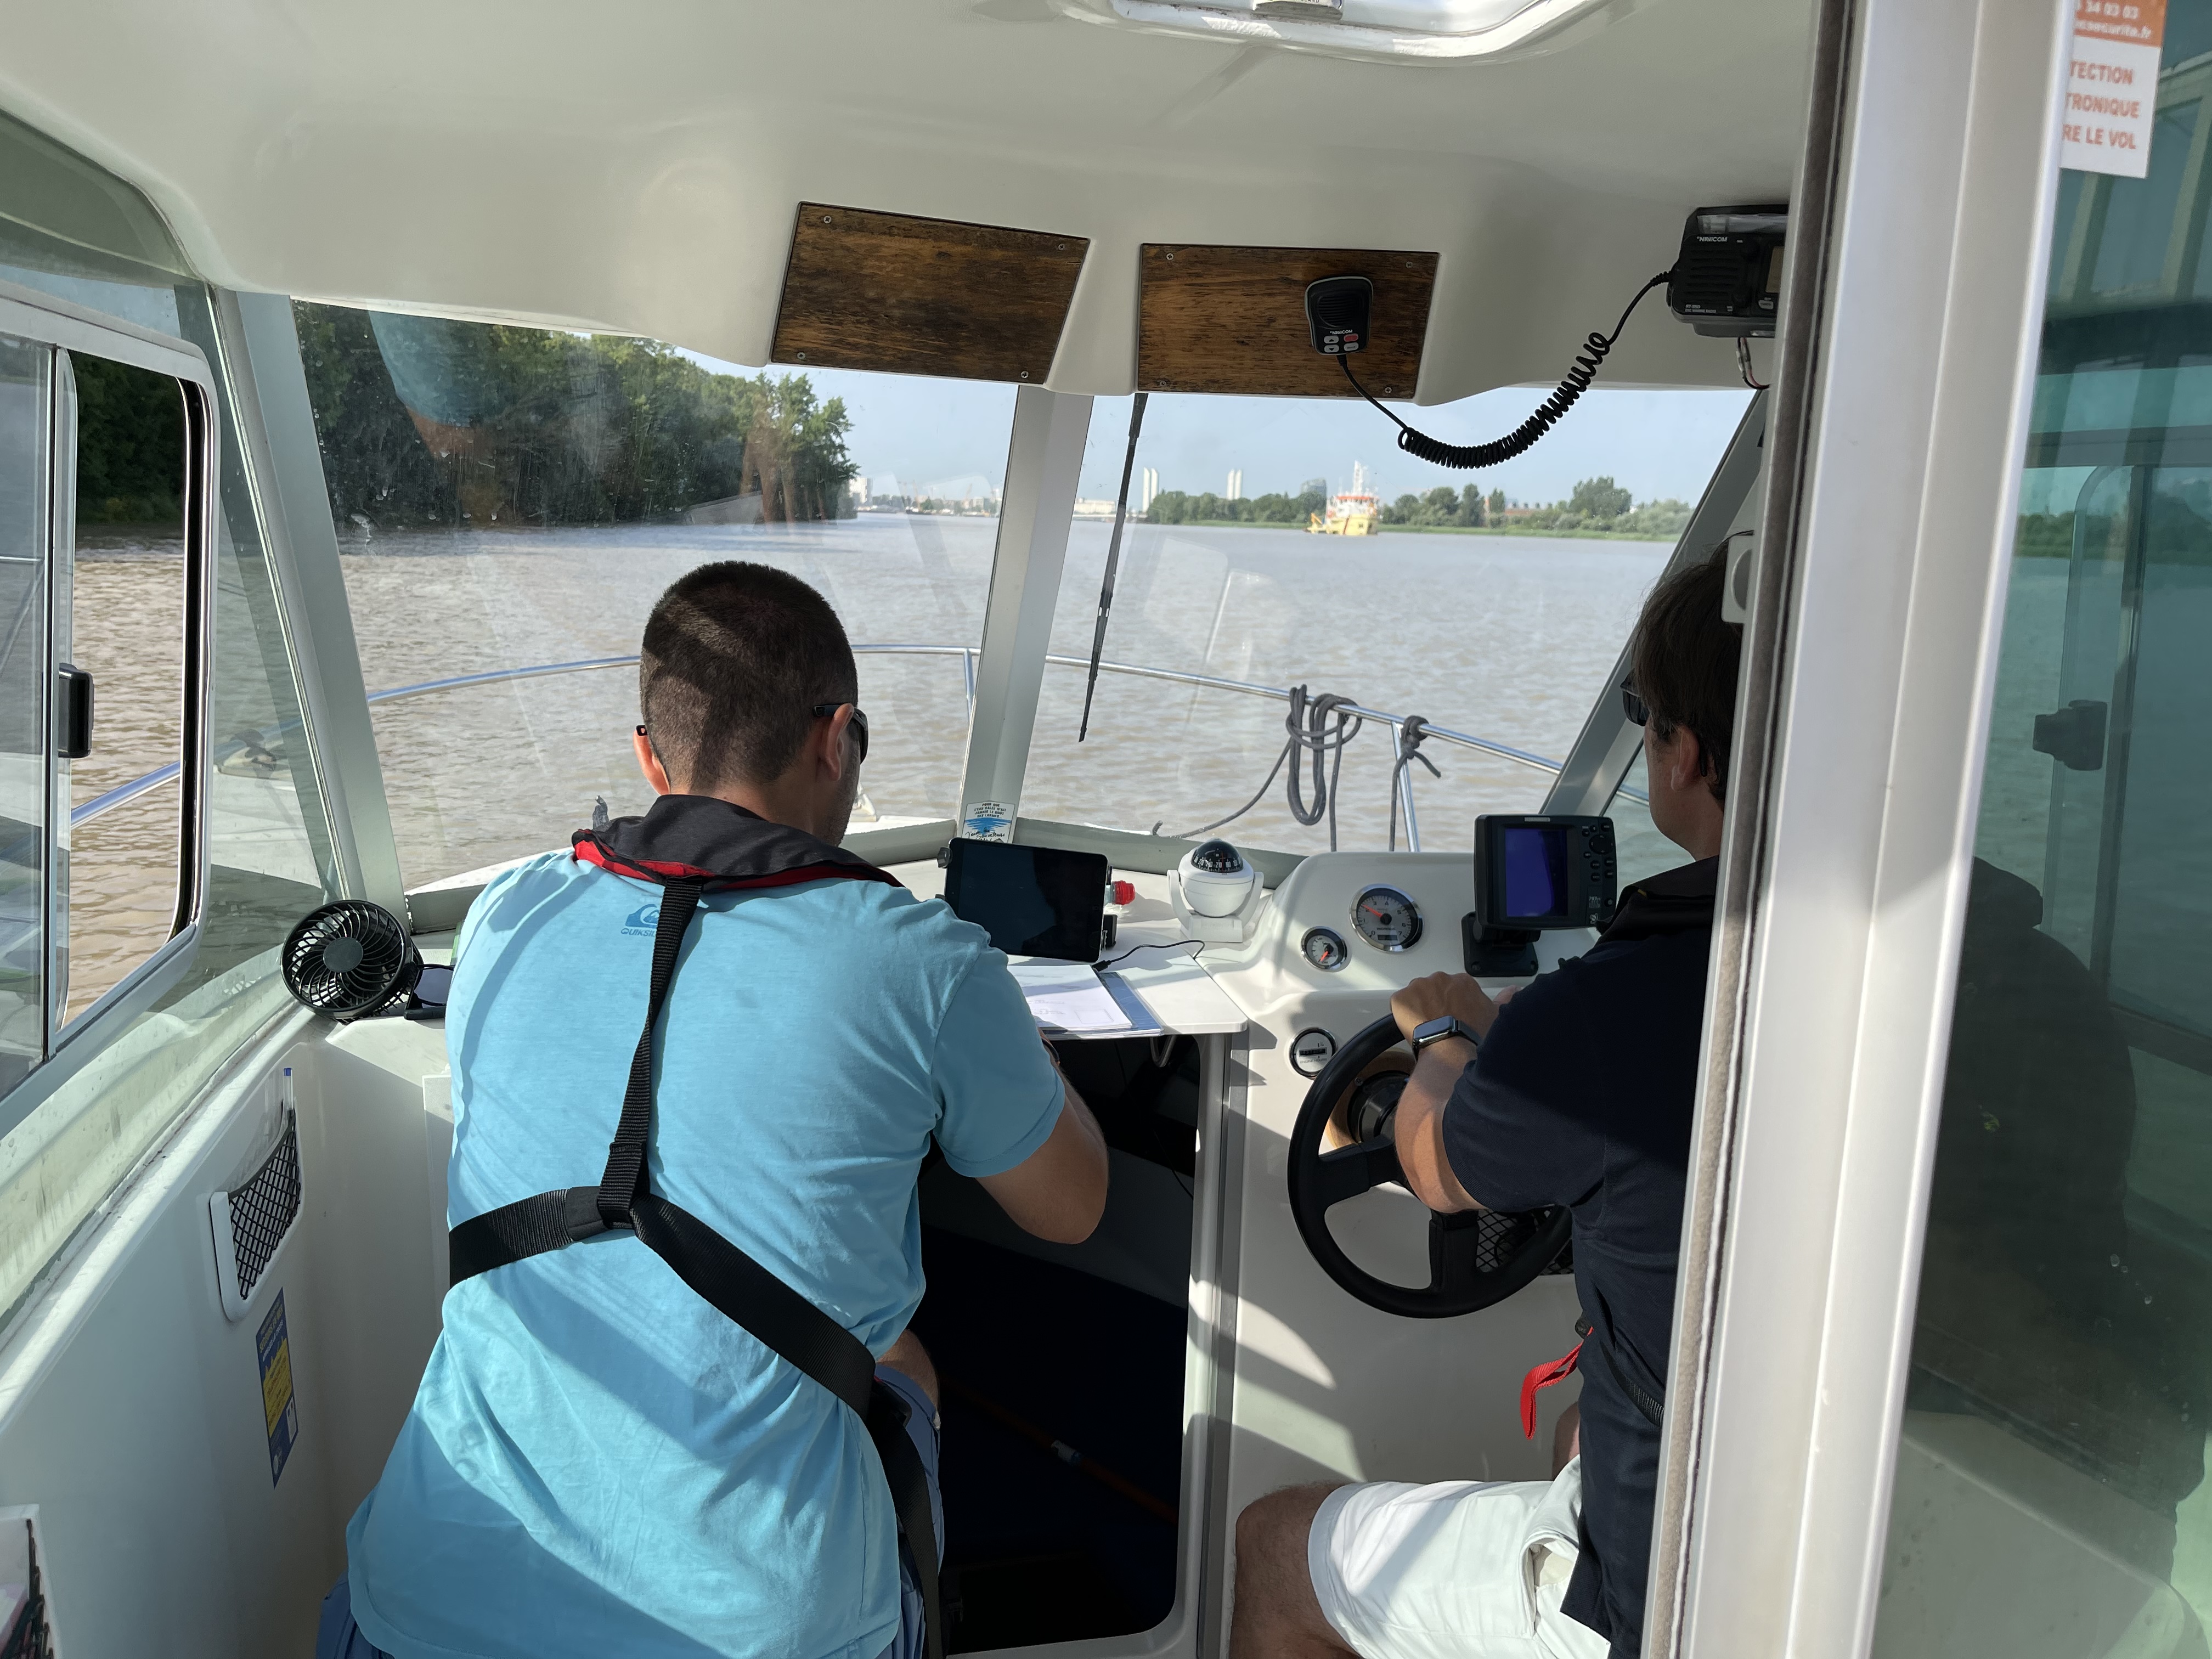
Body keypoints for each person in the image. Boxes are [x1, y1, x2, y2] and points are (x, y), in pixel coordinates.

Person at [318, 561, 1110, 1659]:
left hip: (418, 1606)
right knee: (902, 1358)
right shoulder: (926, 963)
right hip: (762, 1636)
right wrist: (1020, 1053)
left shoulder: (509, 910)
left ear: (651, 758)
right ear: (837, 739)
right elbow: (1071, 1210)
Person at [1232, 549, 1739, 1659]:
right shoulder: (2029, 982)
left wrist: (1443, 1037)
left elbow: (1436, 1167)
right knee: (1577, 1430)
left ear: (1687, 755)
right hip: (1868, 1509)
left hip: (1676, 1592)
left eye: (1646, 719)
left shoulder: (1610, 1010)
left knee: (1273, 1544)